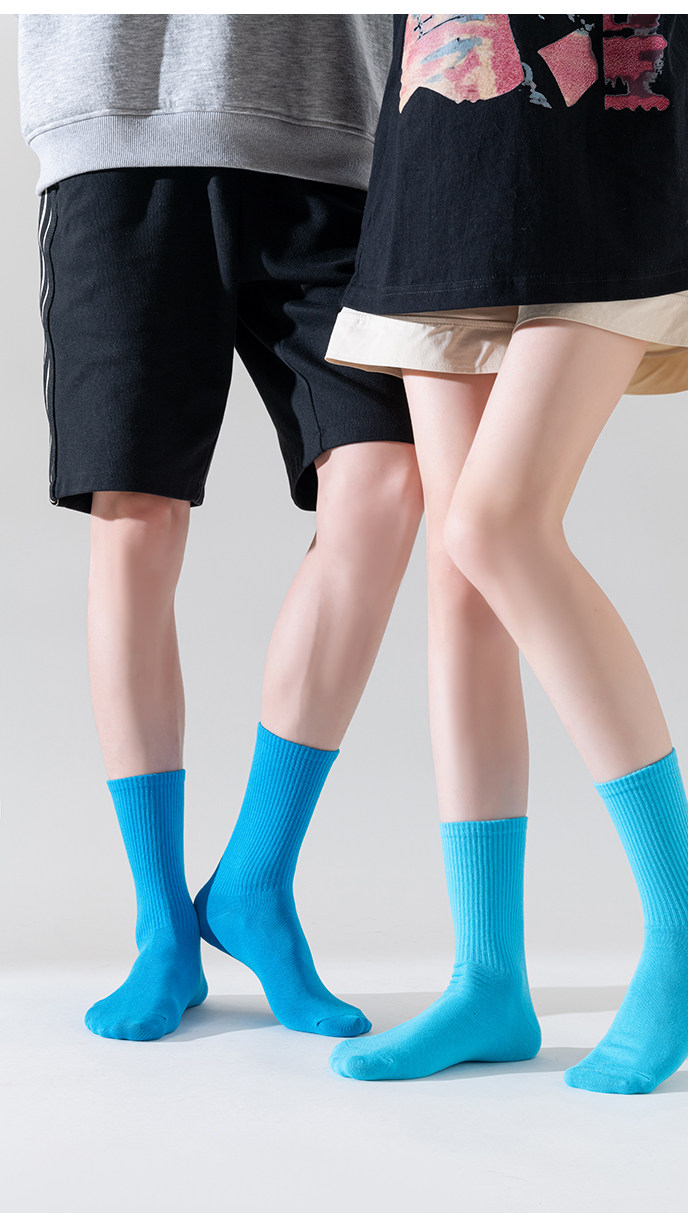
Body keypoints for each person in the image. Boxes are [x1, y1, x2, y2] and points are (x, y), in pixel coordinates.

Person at [324, 14, 688, 1091]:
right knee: (459, 576)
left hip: (627, 119)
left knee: (497, 524)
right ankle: (486, 979)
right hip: (444, 140)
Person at [19, 14, 423, 1042]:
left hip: (343, 144)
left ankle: (254, 880)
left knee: (385, 486)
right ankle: (161, 925)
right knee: (136, 519)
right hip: (123, 127)